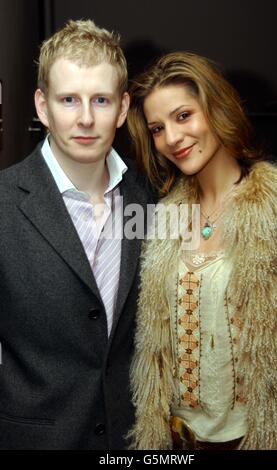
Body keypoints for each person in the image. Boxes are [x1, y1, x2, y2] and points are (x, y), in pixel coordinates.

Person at [127, 51, 277, 450]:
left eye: (183, 116)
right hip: (175, 440)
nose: (172, 139)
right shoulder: (162, 218)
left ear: (216, 109)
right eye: (157, 128)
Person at [0, 19, 153, 450]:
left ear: (122, 109)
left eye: (100, 100)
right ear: (42, 106)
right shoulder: (4, 203)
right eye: (69, 100)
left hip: (131, 443)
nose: (86, 119)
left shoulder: (150, 200)